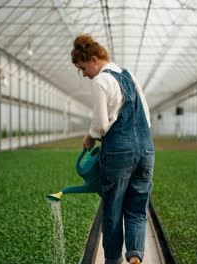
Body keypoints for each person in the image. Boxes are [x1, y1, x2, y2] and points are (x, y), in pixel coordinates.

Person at [71, 34, 154, 264]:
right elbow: (145, 117)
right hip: (147, 151)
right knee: (137, 208)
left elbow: (100, 124)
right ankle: (136, 256)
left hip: (119, 151)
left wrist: (89, 137)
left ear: (94, 60)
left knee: (113, 210)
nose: (84, 74)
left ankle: (113, 260)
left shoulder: (101, 81)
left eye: (83, 67)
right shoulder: (130, 76)